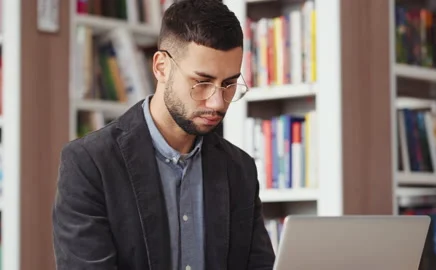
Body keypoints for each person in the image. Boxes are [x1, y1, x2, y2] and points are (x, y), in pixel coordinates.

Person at [52, 0, 275, 269]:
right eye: (202, 82)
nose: (217, 102)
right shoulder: (90, 164)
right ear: (161, 67)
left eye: (228, 84)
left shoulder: (240, 169)